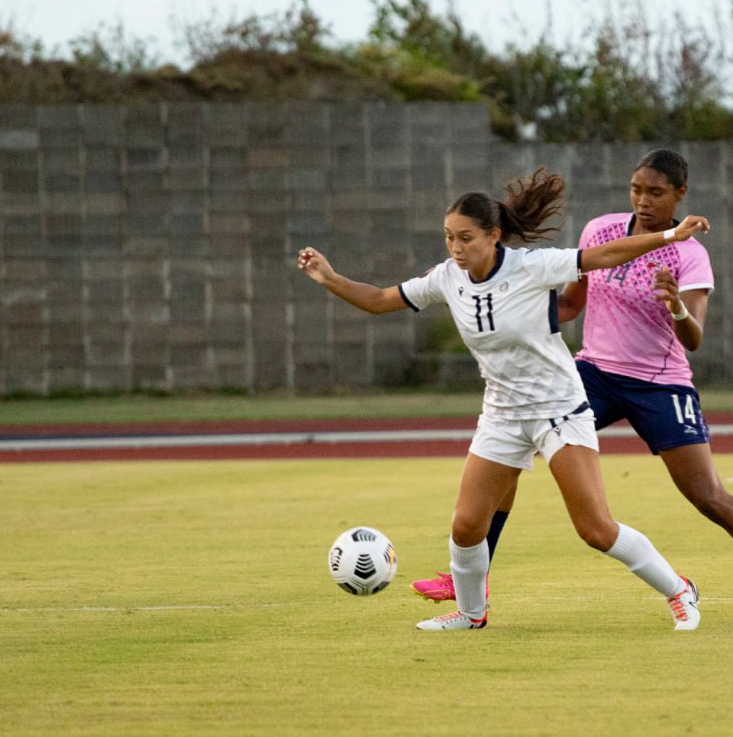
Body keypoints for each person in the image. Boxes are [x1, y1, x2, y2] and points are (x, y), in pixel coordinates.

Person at [412, 149, 733, 624]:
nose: (643, 200)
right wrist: (502, 316)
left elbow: (693, 338)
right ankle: (471, 577)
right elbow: (572, 304)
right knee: (512, 446)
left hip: (660, 385)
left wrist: (676, 305)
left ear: (680, 194)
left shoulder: (688, 252)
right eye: (637, 189)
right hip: (593, 374)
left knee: (709, 496)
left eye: (656, 192)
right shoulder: (600, 230)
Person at [296, 166, 707, 631]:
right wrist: (329, 278)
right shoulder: (446, 278)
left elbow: (606, 253)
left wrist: (671, 234)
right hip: (502, 415)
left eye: (465, 238)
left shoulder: (533, 267)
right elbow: (378, 299)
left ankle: (679, 590)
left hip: (558, 409)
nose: (455, 248)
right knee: (466, 526)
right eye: (449, 237)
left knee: (595, 530)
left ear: (493, 236)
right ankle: (472, 615)